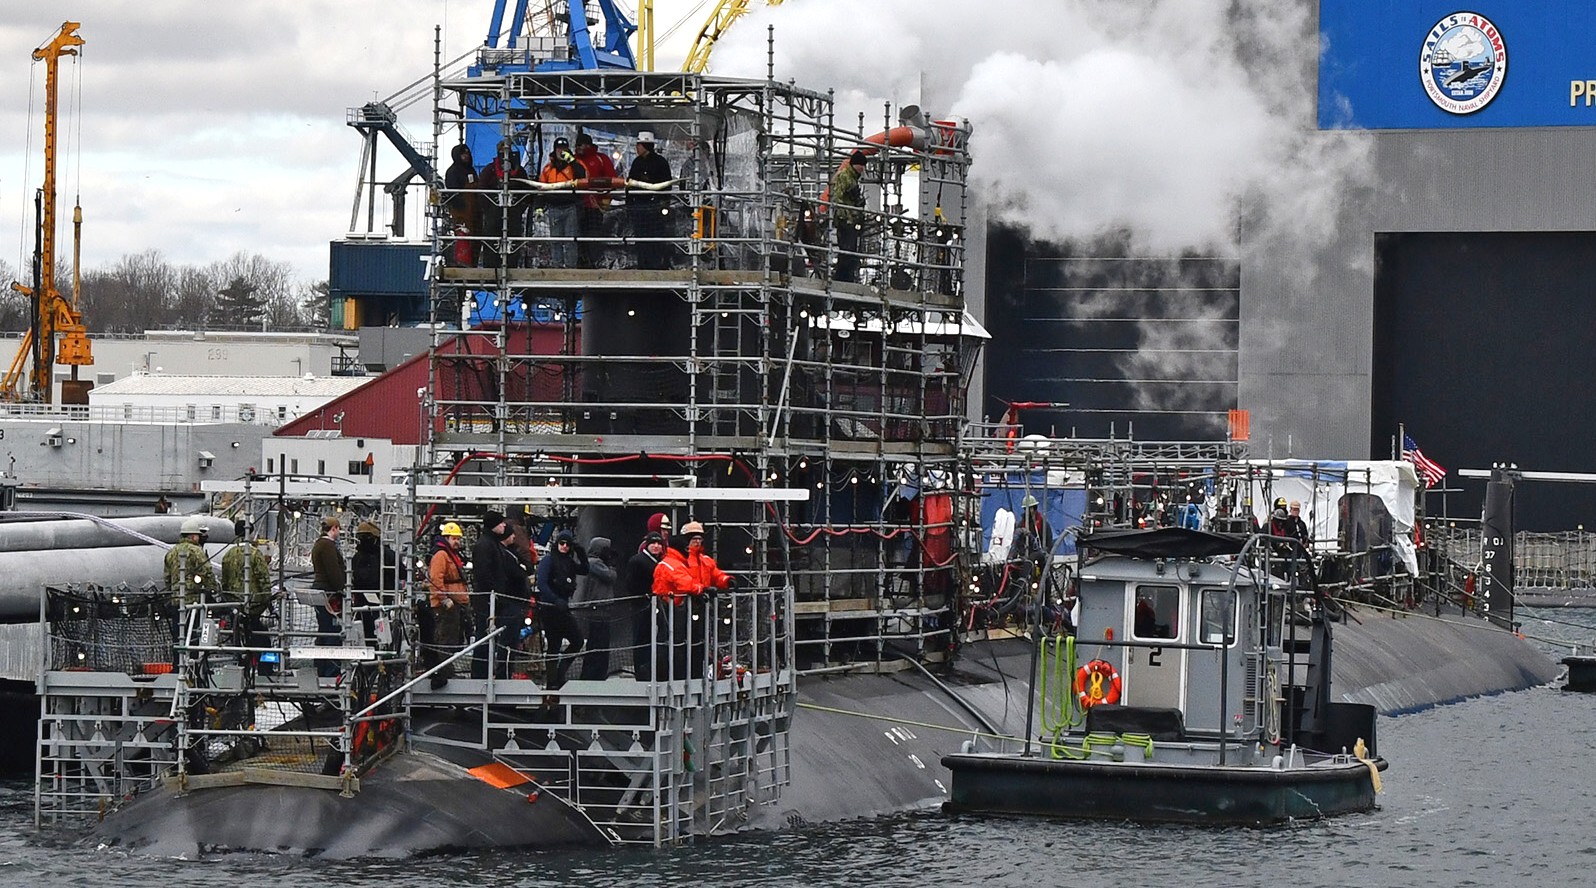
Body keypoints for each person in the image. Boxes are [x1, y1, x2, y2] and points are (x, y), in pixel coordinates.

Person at [651, 521, 733, 680]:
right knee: (680, 644)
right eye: (693, 538)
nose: (697, 542)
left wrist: (727, 581)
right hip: (678, 608)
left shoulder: (703, 560)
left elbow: (716, 574)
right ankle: (680, 676)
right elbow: (684, 582)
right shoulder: (675, 563)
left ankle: (693, 674)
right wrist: (701, 589)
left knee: (697, 643)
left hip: (695, 605)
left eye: (699, 538)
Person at [534, 530, 588, 689]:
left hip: (563, 607)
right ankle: (552, 681)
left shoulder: (569, 562)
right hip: (551, 608)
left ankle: (560, 673)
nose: (564, 547)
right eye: (562, 543)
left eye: (567, 545)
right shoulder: (549, 561)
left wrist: (580, 552)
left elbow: (585, 570)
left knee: (577, 640)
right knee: (553, 645)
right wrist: (555, 599)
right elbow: (542, 583)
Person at [164, 516, 219, 662]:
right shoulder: (196, 551)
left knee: (178, 637)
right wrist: (213, 592)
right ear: (193, 536)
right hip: (194, 603)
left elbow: (167, 579)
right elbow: (207, 574)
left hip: (176, 602)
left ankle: (177, 665)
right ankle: (193, 665)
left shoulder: (171, 552)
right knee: (194, 635)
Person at [220, 526, 274, 669]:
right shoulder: (255, 554)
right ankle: (266, 670)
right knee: (263, 642)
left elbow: (224, 583)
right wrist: (268, 602)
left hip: (235, 606)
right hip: (253, 606)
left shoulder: (228, 555)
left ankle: (242, 668)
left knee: (239, 642)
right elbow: (264, 580)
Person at [427, 522, 470, 688]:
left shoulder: (451, 554)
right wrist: (444, 598)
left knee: (452, 638)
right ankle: (445, 671)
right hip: (446, 605)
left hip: (456, 602)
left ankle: (448, 670)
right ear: (446, 538)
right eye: (454, 538)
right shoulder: (441, 556)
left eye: (458, 538)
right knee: (445, 639)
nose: (457, 542)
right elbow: (436, 579)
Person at [470, 511, 510, 679]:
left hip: (491, 599)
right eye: (501, 523)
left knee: (488, 638)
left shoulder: (491, 544)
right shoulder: (486, 545)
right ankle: (479, 675)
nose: (504, 525)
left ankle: (484, 673)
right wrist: (495, 594)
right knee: (484, 638)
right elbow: (484, 573)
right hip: (488, 601)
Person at [626, 131, 674, 270]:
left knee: (654, 236)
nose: (637, 148)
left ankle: (655, 264)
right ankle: (643, 264)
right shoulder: (637, 162)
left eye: (639, 145)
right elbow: (630, 184)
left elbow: (666, 184)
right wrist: (630, 203)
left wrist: (664, 202)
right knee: (641, 237)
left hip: (654, 206)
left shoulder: (659, 163)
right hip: (640, 205)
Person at [480, 139, 531, 267]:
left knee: (513, 241)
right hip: (493, 213)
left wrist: (520, 207)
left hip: (513, 212)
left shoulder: (519, 171)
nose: (505, 154)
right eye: (503, 151)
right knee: (492, 241)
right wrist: (488, 208)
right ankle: (491, 270)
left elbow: (527, 191)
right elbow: (481, 190)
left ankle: (511, 267)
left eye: (508, 151)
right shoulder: (490, 169)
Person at [536, 137, 587, 268]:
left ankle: (571, 267)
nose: (561, 151)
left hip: (571, 207)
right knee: (556, 240)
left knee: (571, 239)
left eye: (564, 149)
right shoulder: (548, 168)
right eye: (559, 149)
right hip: (554, 207)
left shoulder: (575, 165)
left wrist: (572, 161)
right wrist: (539, 207)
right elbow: (541, 188)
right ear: (555, 149)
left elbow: (582, 177)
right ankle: (557, 266)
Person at [625, 530, 666, 680]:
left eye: (658, 543)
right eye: (653, 543)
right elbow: (630, 584)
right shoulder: (638, 561)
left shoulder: (658, 562)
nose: (656, 546)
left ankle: (651, 669)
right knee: (641, 639)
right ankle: (642, 672)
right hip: (641, 607)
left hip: (654, 606)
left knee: (653, 638)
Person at [350, 520, 398, 647]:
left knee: (364, 633)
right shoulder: (386, 554)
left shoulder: (356, 557)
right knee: (383, 634)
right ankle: (381, 659)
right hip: (382, 600)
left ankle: (366, 660)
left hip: (361, 601)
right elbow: (402, 572)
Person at [578, 536, 620, 680]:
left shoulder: (595, 563)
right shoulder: (594, 563)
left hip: (602, 609)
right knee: (597, 642)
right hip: (598, 609)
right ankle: (591, 675)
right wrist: (612, 566)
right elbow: (610, 576)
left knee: (601, 642)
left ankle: (598, 673)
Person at [310, 517, 347, 678]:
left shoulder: (318, 544)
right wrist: (342, 588)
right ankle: (331, 671)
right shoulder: (328, 546)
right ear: (335, 528)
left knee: (323, 630)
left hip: (320, 590)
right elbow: (334, 571)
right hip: (328, 593)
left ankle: (320, 668)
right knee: (333, 631)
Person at [573, 132, 616, 268]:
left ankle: (594, 262)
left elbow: (611, 179)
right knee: (577, 235)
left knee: (593, 235)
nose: (578, 147)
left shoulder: (600, 159)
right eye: (577, 145)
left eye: (581, 144)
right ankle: (580, 262)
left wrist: (605, 198)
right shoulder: (573, 160)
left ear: (588, 145)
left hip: (594, 206)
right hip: (576, 205)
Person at [828, 151, 867, 283]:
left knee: (850, 250)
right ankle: (842, 277)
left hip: (851, 219)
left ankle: (846, 276)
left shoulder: (852, 178)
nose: (863, 168)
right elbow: (837, 197)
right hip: (846, 219)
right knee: (846, 249)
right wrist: (844, 216)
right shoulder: (845, 177)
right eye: (861, 165)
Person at [443, 143, 480, 266]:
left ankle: (473, 263)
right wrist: (462, 206)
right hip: (461, 211)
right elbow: (453, 193)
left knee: (476, 238)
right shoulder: (453, 171)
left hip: (475, 210)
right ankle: (462, 262)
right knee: (463, 235)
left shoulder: (471, 170)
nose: (466, 156)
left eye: (467, 153)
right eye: (463, 154)